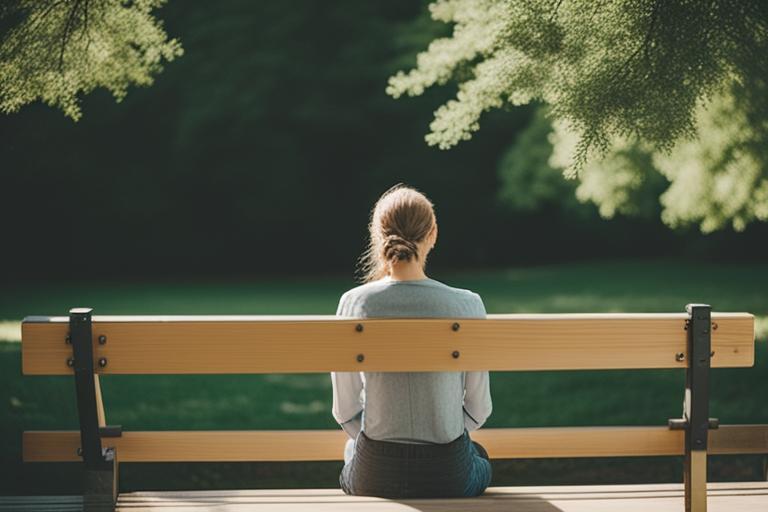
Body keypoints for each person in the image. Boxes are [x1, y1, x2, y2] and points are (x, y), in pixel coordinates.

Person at [331, 183, 492, 498]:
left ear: (377, 236)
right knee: (480, 455)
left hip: (375, 472)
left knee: (352, 450)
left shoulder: (354, 303)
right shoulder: (467, 305)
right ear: (433, 234)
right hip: (447, 473)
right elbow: (478, 408)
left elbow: (345, 410)